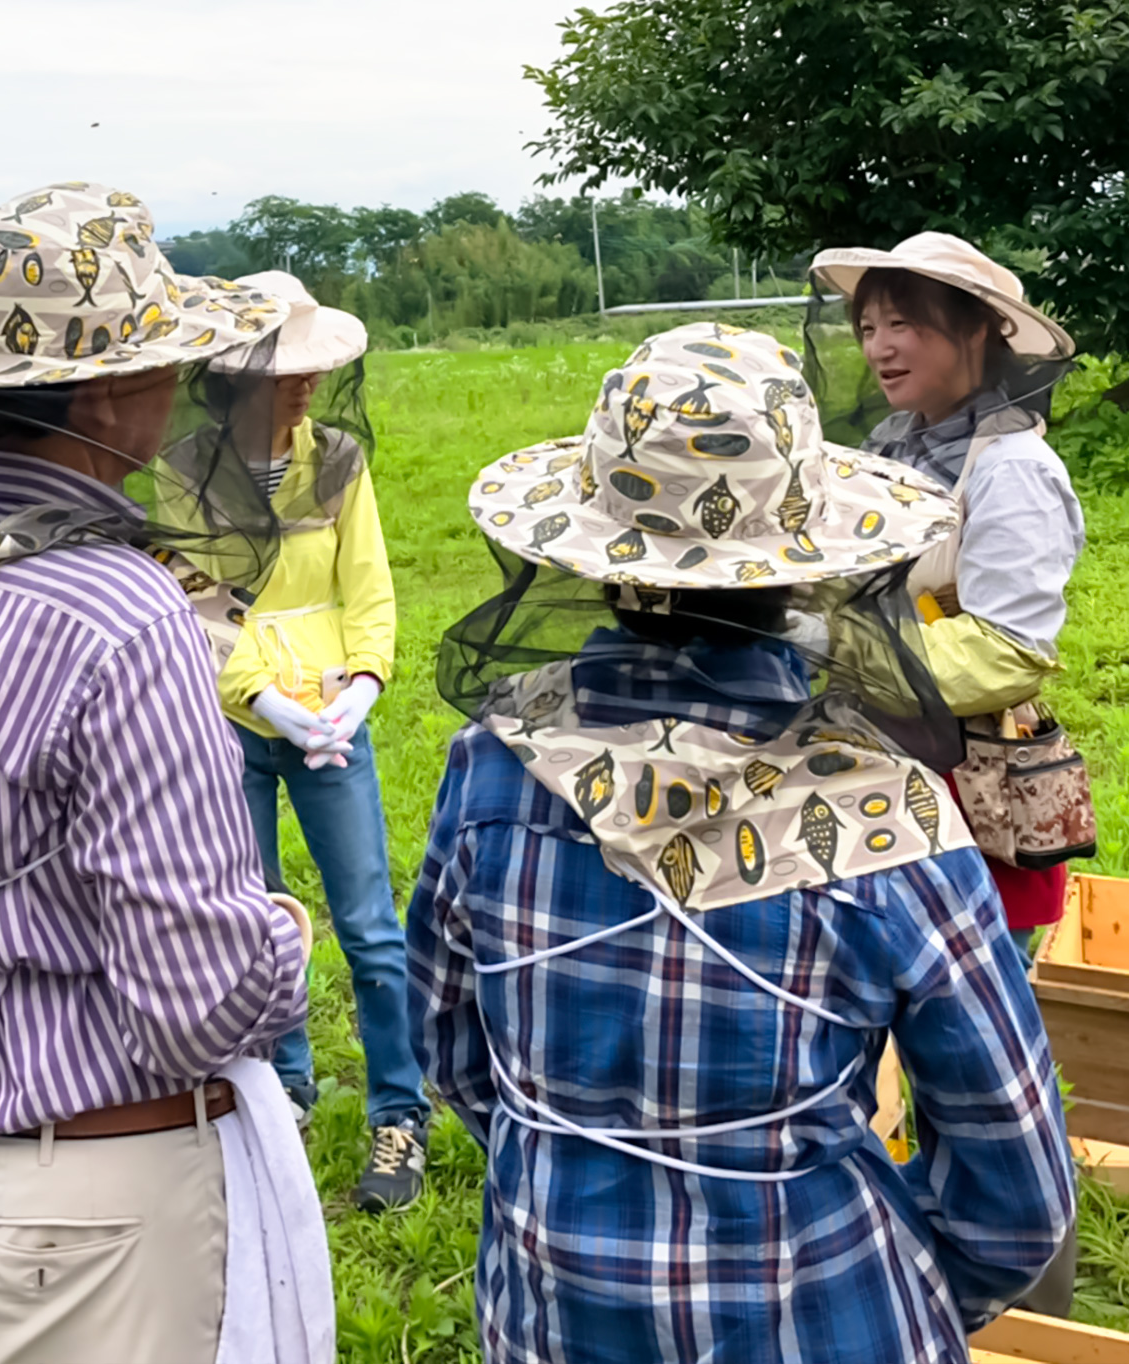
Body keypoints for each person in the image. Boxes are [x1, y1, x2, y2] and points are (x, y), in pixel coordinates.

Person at [408, 324, 1074, 1363]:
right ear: (801, 569)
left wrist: (590, 1171)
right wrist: (893, 1280)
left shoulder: (489, 769)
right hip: (820, 1316)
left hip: (547, 1312)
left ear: (595, 552)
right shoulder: (881, 812)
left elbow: (451, 1053)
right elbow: (1017, 1186)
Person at [0, 184, 330, 1364]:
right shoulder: (120, 613)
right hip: (93, 1206)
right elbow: (194, 996)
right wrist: (282, 935)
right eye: (161, 362)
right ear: (105, 391)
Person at [180, 269, 430, 1211]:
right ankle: (284, 1088)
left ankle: (398, 1112)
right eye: (279, 365)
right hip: (228, 723)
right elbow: (191, 602)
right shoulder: (185, 471)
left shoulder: (338, 461)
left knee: (369, 928)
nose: (301, 382)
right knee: (258, 918)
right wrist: (256, 695)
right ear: (231, 369)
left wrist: (363, 684)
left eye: (308, 365)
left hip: (330, 718)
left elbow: (369, 585)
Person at [810, 233, 1087, 967]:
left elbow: (1009, 651)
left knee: (971, 1017)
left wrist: (837, 651)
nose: (880, 348)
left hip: (969, 787)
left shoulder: (1014, 471)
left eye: (904, 324)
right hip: (875, 763)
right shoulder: (891, 449)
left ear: (974, 330)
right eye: (868, 328)